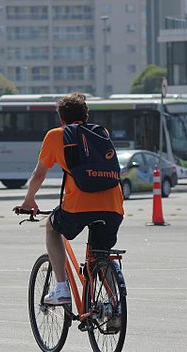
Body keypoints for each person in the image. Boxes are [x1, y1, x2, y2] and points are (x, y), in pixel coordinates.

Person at [15, 93, 124, 305]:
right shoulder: (101, 134)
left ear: (61, 119)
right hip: (114, 206)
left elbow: (39, 174)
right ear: (86, 116)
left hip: (79, 206)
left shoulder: (56, 135)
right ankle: (114, 307)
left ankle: (61, 288)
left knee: (52, 227)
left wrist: (29, 200)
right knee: (101, 255)